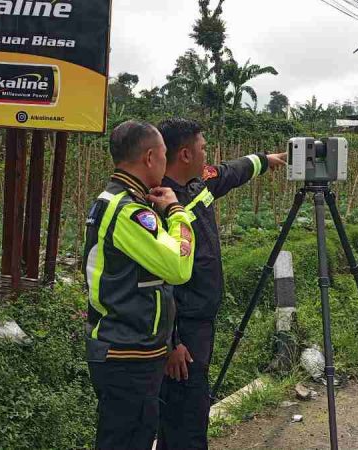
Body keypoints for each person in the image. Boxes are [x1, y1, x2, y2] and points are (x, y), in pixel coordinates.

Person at [156, 118, 286, 449]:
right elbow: (157, 278)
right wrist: (172, 343)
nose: (207, 154)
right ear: (184, 154)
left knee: (193, 407)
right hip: (181, 331)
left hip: (201, 322)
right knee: (185, 414)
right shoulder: (159, 203)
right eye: (202, 148)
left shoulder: (199, 185)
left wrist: (265, 160)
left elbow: (230, 172)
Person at [83, 120, 197, 450]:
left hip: (127, 349)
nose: (166, 162)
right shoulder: (128, 210)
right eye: (163, 154)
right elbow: (178, 267)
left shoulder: (118, 200)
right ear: (149, 157)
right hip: (126, 354)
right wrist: (178, 213)